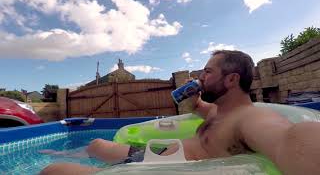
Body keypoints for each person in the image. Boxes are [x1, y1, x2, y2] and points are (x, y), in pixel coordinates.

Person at [40, 50, 320, 175]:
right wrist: (193, 98)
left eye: (208, 72)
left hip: (165, 169)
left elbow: (289, 138)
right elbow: (197, 107)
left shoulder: (252, 117)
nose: (200, 76)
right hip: (155, 155)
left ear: (232, 80)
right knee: (96, 143)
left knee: (53, 171)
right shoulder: (218, 110)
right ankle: (69, 153)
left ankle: (62, 159)